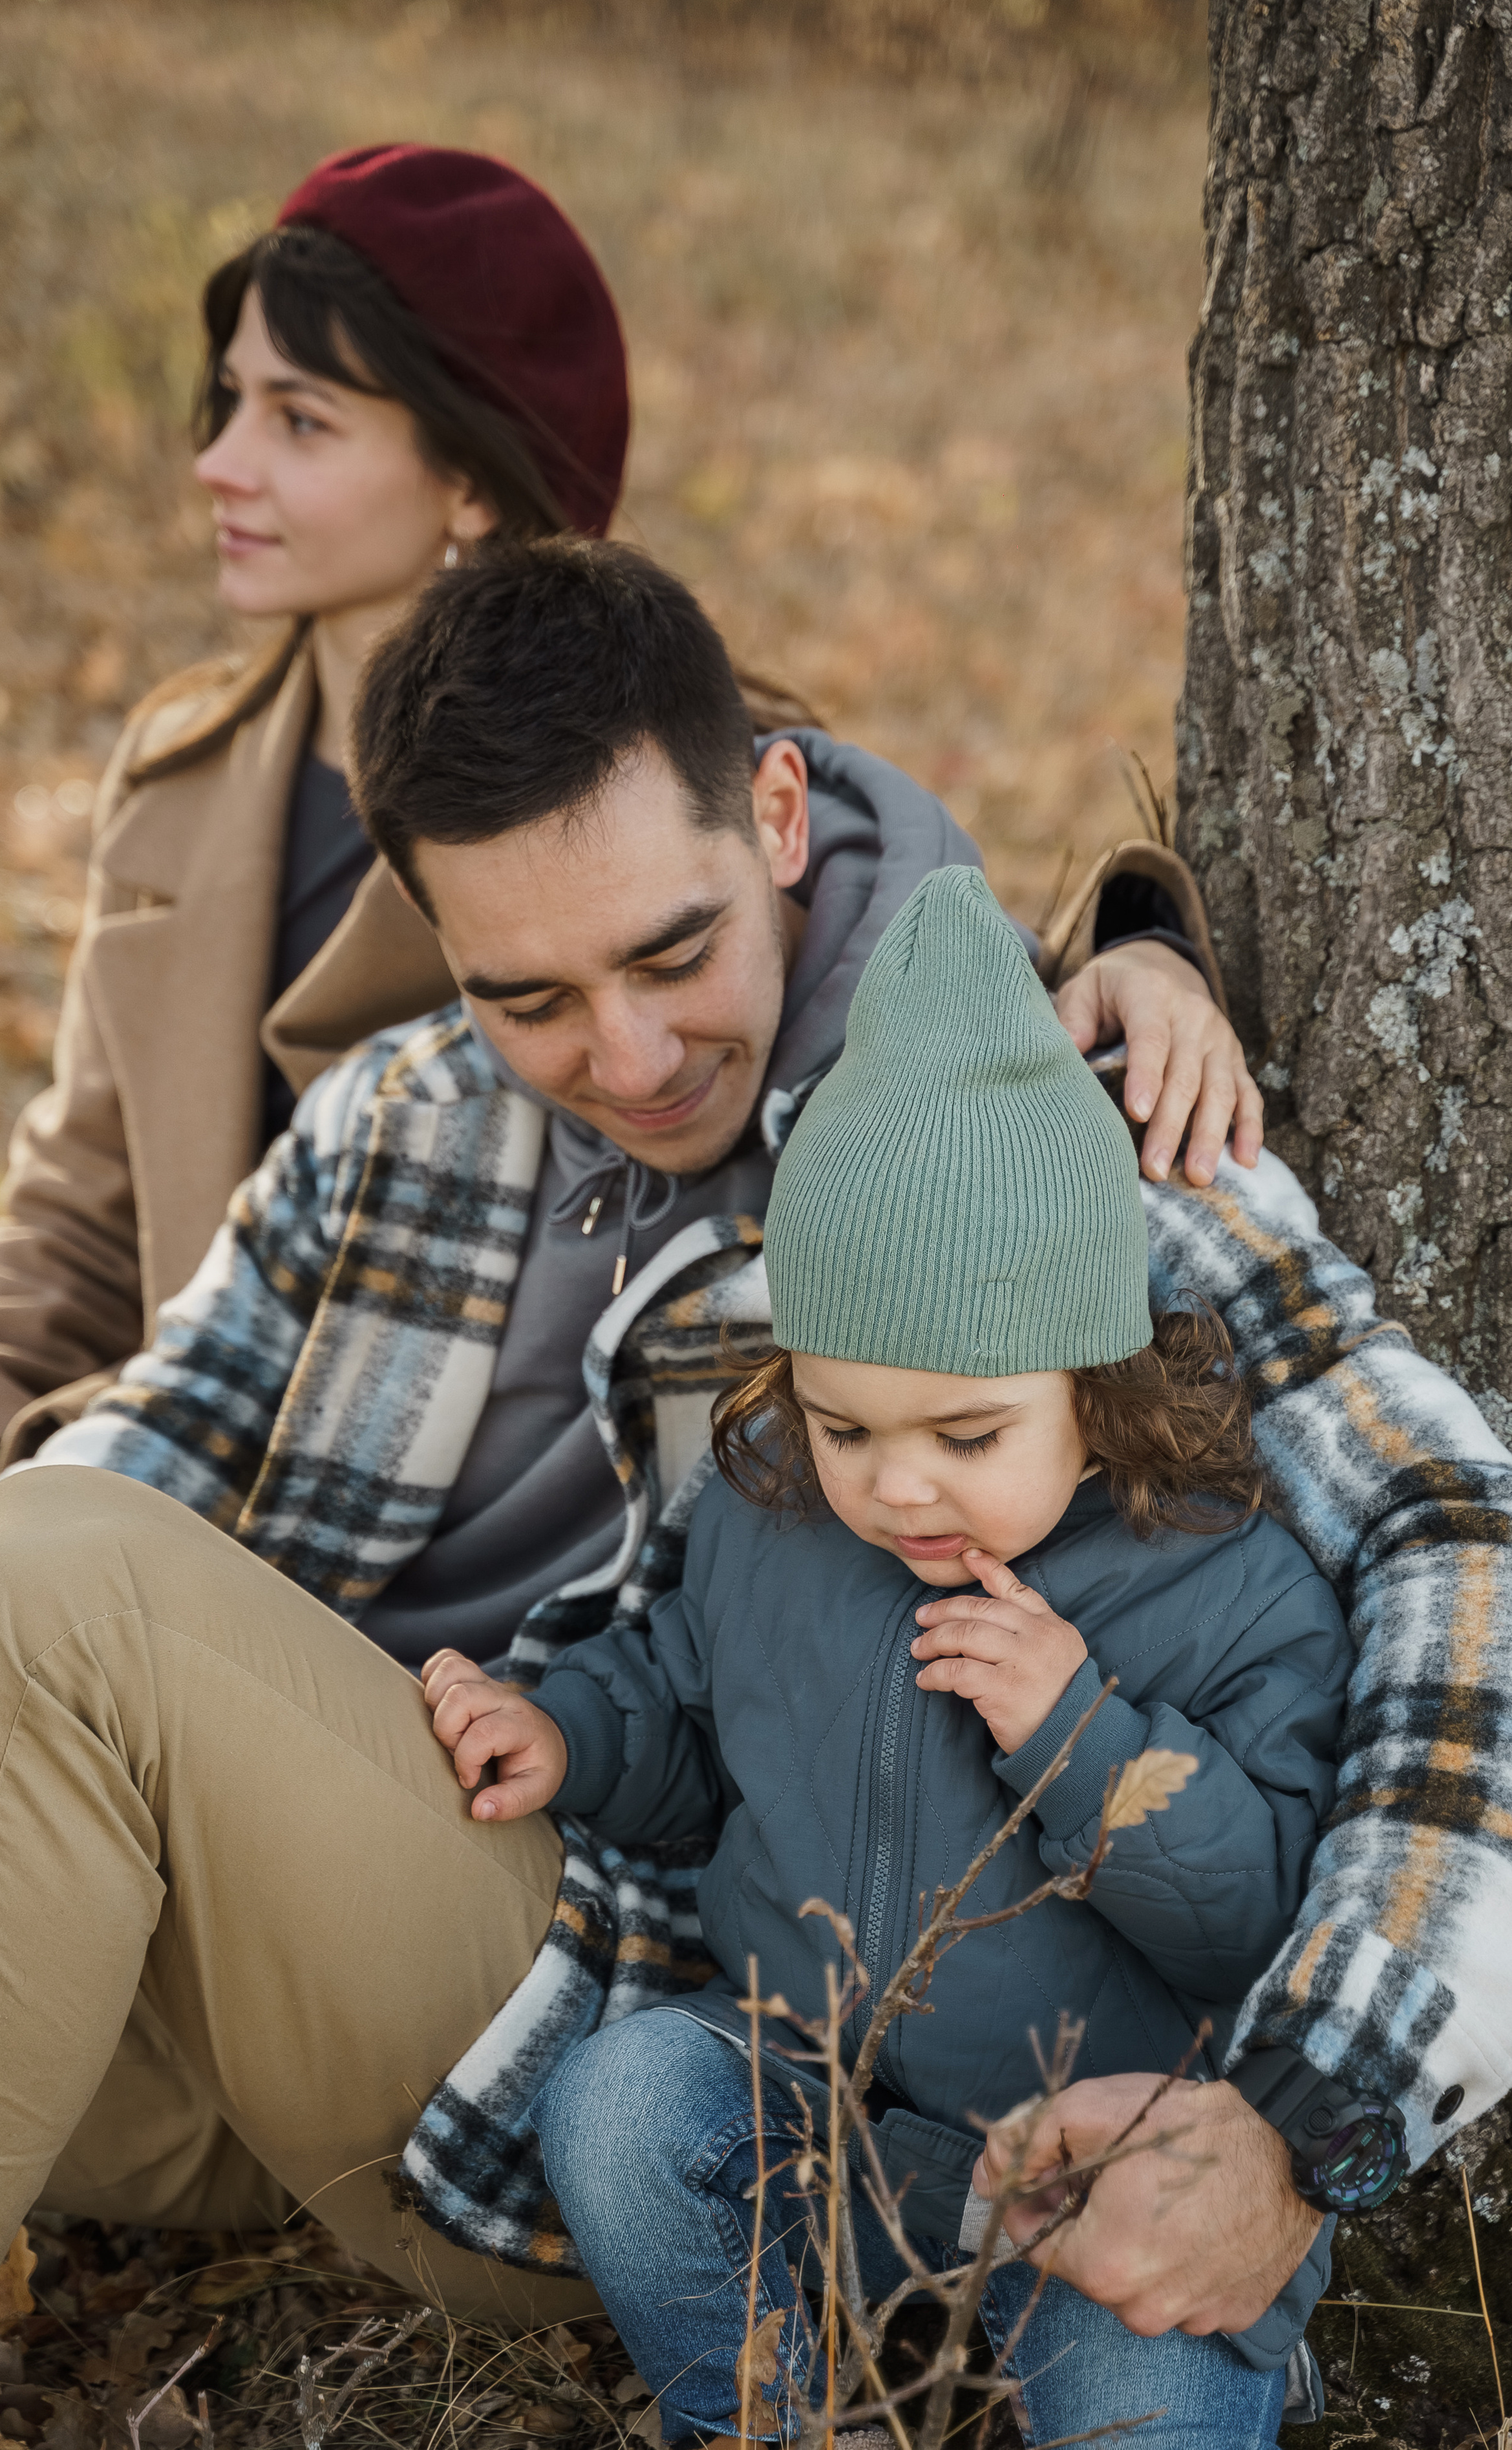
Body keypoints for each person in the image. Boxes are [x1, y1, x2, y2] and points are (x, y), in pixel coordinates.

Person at [0, 545, 1506, 2450]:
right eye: (529, 997)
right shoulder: (387, 1124)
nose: (628, 1061)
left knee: (42, 1570)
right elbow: (143, 1449)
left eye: (672, 954)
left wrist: (1318, 2120)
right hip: (291, 1959)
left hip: (622, 2038)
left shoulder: (1016, 1152)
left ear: (781, 812)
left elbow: (1454, 1540)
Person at [0, 140, 1235, 1596]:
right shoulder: (183, 777)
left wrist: (1138, 951)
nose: (218, 460)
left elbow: (912, 976)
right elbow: (77, 1209)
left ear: (462, 473)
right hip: (197, 1452)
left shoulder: (656, 781)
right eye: (228, 404)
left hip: (485, 1566)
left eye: (300, 420)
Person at [436, 864, 1352, 2444]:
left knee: (1153, 2404)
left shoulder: (1224, 1585)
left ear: (1095, 1380)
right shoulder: (774, 1518)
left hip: (1095, 2174)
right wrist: (572, 1732)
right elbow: (682, 1701)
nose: (895, 1483)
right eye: (843, 1421)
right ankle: (773, 2413)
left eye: (968, 1431)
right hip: (809, 2120)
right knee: (617, 2107)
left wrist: (1075, 1732)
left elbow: (1262, 1925)